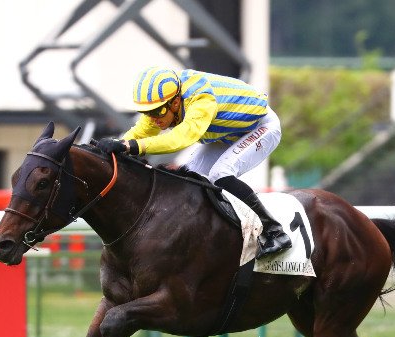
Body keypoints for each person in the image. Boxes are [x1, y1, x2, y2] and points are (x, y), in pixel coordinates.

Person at [95, 67, 292, 258]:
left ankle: (274, 231)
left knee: (220, 174)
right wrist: (117, 144)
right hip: (229, 133)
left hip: (261, 127)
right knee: (187, 178)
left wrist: (131, 146)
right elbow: (142, 132)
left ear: (175, 102)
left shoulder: (201, 100)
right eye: (148, 113)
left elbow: (179, 140)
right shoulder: (163, 103)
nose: (153, 119)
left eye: (157, 112)